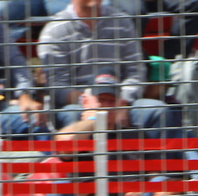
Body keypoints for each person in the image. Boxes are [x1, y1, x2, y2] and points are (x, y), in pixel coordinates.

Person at [37, 0, 159, 129]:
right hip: (80, 104)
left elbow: (136, 71)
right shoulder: (54, 30)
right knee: (72, 114)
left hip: (121, 100)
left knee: (157, 111)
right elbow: (57, 86)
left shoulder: (122, 22)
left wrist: (121, 102)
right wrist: (90, 103)